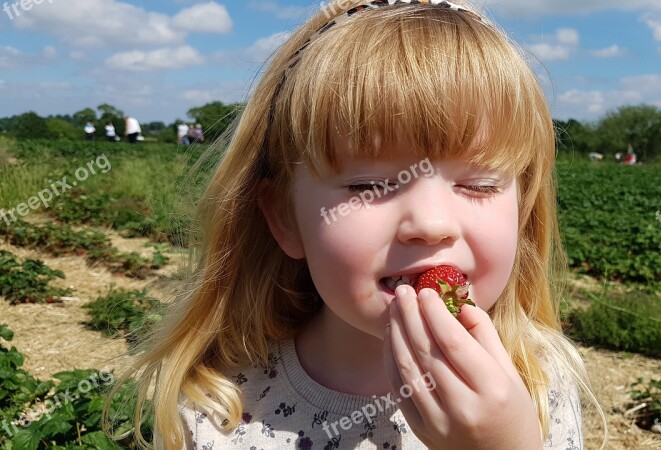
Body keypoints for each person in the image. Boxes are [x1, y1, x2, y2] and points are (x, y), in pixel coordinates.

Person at [108, 1, 601, 449]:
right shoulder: (220, 407)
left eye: (479, 185)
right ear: (285, 218)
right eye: (368, 186)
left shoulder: (536, 385)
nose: (431, 224)